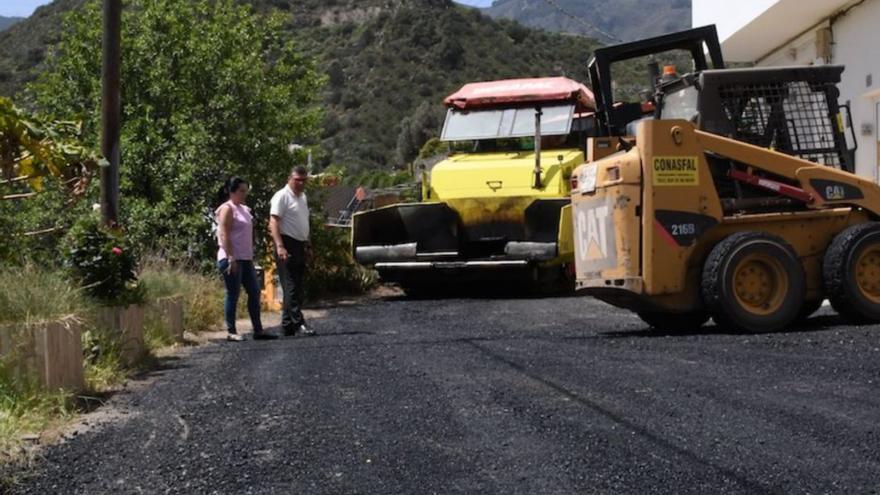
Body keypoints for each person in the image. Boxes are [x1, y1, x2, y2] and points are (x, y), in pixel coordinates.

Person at [216, 177, 277, 341]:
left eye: (246, 191)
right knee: (233, 293)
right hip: (231, 257)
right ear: (232, 191)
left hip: (246, 258)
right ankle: (231, 331)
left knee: (254, 291)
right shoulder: (227, 209)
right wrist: (230, 257)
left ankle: (258, 330)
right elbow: (224, 234)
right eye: (241, 191)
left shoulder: (244, 209)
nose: (244, 194)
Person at [269, 166, 315, 337]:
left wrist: (308, 245)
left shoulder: (303, 197)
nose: (301, 183)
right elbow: (273, 223)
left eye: (304, 180)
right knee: (290, 285)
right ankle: (299, 322)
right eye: (298, 180)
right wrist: (280, 246)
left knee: (297, 284)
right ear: (290, 178)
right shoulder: (281, 196)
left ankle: (287, 324)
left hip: (299, 243)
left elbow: (305, 221)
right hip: (286, 243)